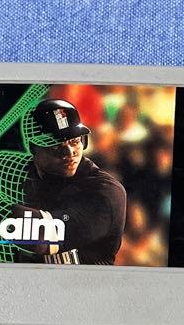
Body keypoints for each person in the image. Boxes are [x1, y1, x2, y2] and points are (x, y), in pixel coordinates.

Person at [14, 98, 127, 265]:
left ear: (84, 141)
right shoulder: (20, 175)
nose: (69, 152)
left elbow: (41, 236)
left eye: (75, 141)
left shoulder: (106, 191)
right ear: (33, 148)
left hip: (84, 280)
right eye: (55, 144)